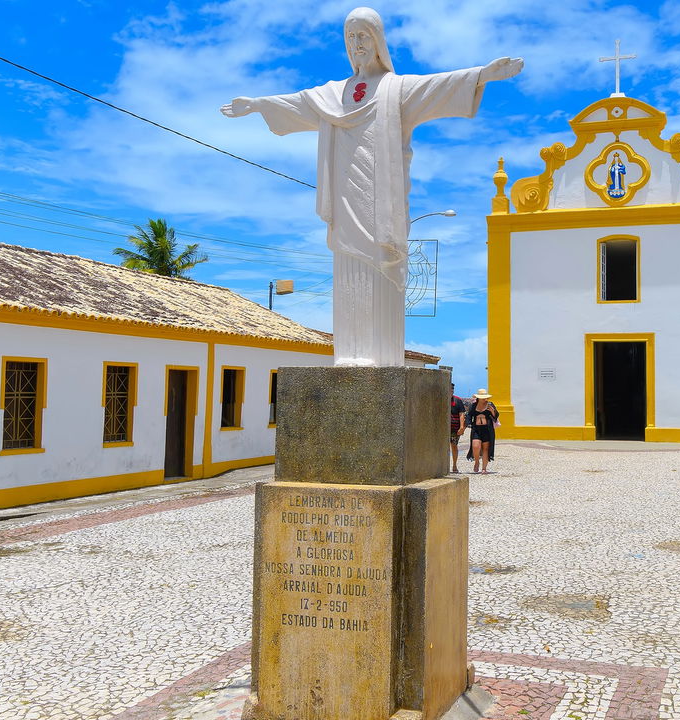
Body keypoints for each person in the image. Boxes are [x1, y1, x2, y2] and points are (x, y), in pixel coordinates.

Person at [220, 8, 522, 366]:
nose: (357, 43)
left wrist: (482, 74)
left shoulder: (397, 89)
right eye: (350, 37)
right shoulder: (331, 95)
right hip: (345, 198)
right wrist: (256, 105)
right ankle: (349, 354)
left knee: (381, 263)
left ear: (378, 41)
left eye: (363, 35)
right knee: (348, 263)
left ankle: (382, 357)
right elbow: (297, 103)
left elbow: (440, 85)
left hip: (381, 200)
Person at [465, 388, 498, 473]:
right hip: (476, 429)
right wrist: (468, 424)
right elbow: (469, 415)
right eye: (482, 397)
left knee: (485, 449)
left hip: (487, 430)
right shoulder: (473, 405)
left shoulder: (490, 404)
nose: (484, 399)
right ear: (478, 398)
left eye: (485, 397)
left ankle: (484, 468)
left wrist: (492, 411)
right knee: (475, 446)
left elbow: (495, 417)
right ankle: (476, 462)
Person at [448, 383, 466, 473]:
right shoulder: (441, 399)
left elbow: (461, 414)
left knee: (454, 446)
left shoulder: (458, 400)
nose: (451, 391)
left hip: (455, 428)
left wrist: (462, 427)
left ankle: (454, 465)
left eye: (452, 390)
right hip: (443, 429)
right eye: (449, 390)